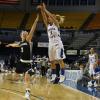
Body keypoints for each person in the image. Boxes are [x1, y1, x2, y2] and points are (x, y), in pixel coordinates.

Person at [6, 14, 39, 100]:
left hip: (28, 64)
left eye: (26, 32)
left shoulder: (28, 40)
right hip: (21, 63)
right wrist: (10, 44)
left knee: (26, 79)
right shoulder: (20, 43)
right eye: (23, 32)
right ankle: (20, 78)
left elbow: (32, 29)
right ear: (21, 35)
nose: (25, 32)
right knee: (15, 76)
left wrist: (36, 20)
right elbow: (15, 45)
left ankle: (27, 93)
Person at [37, 3, 66, 83]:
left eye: (50, 17)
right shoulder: (48, 26)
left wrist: (45, 9)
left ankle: (63, 75)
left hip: (57, 43)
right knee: (52, 61)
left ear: (53, 19)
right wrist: (42, 10)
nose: (48, 18)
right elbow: (43, 17)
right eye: (49, 17)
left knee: (60, 60)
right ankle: (53, 76)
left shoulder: (56, 24)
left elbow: (51, 16)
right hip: (51, 44)